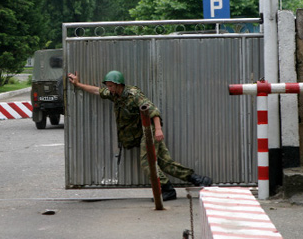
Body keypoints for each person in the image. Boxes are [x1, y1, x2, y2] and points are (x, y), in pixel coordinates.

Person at [68, 70, 212, 201]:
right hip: (140, 133)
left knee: (147, 163)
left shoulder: (133, 95)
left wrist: (158, 130)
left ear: (119, 85)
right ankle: (198, 179)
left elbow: (152, 109)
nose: (109, 89)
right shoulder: (115, 95)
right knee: (165, 162)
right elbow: (97, 91)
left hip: (148, 132)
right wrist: (78, 84)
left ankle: (167, 189)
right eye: (108, 86)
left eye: (111, 86)